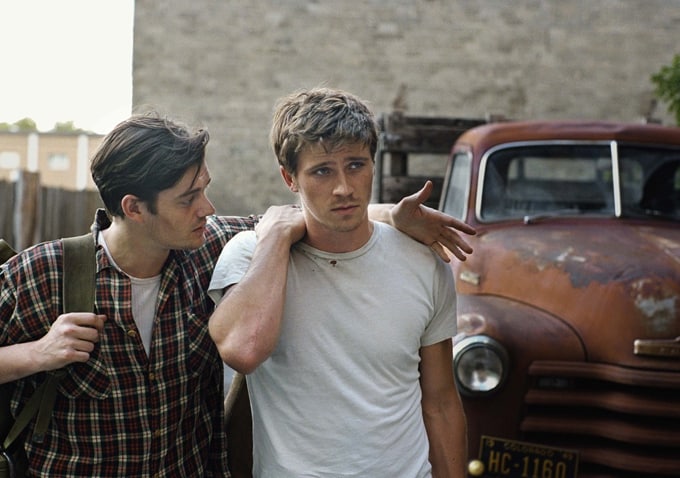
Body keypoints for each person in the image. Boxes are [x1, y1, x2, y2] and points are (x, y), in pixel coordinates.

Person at [0, 112, 474, 476]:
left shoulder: (213, 248)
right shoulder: (46, 273)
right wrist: (35, 354)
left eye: (204, 188)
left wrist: (398, 215)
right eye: (189, 198)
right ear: (134, 208)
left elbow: (319, 212)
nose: (207, 207)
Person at [208, 87, 467, 477]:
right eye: (322, 170)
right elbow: (242, 350)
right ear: (289, 178)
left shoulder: (422, 260)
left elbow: (441, 401)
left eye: (356, 165)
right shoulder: (252, 256)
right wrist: (278, 236)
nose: (343, 187)